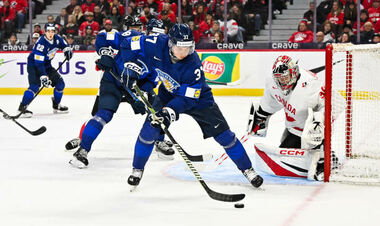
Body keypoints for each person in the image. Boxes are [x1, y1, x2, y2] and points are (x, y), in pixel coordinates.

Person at [119, 24, 263, 189]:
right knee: (148, 132)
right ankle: (137, 169)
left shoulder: (193, 64)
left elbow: (188, 99)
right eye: (180, 48)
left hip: (199, 100)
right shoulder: (155, 42)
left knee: (225, 137)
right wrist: (130, 66)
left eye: (188, 48)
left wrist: (169, 112)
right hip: (167, 93)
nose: (184, 53)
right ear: (170, 44)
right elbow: (126, 44)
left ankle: (248, 169)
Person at [68, 16, 174, 168]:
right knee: (104, 114)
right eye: (154, 34)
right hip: (113, 82)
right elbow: (103, 36)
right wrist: (104, 54)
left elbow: (151, 81)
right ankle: (82, 150)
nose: (157, 39)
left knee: (156, 111)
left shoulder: (162, 57)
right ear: (147, 33)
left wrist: (141, 93)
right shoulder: (133, 38)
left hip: (134, 86)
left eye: (160, 35)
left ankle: (159, 141)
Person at [244, 55, 341, 181]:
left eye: (285, 78)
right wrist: (261, 116)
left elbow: (333, 103)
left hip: (314, 129)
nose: (282, 82)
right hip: (294, 129)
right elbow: (269, 103)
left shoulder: (311, 84)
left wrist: (319, 121)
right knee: (285, 157)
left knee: (315, 145)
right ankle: (314, 154)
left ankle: (327, 158)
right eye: (279, 79)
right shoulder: (273, 83)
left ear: (293, 73)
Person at [16, 23, 73, 118]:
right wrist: (43, 76)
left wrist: (67, 51)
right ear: (45, 31)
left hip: (46, 65)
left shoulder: (57, 38)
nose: (50, 33)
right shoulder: (41, 43)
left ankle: (56, 105)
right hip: (34, 65)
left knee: (60, 84)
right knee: (34, 87)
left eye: (52, 31)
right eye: (48, 31)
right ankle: (21, 108)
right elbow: (38, 63)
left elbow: (65, 45)